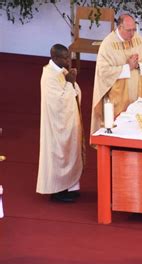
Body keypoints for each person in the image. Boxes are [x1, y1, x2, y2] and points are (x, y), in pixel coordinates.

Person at [91, 13, 142, 135]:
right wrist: (127, 68)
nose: (132, 34)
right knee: (121, 130)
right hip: (118, 98)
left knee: (140, 128)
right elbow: (103, 71)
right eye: (129, 30)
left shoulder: (138, 39)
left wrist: (138, 65)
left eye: (134, 30)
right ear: (120, 28)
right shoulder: (108, 44)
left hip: (139, 93)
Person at [37, 44, 83, 203]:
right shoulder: (49, 75)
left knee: (69, 151)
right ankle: (57, 190)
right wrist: (70, 83)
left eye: (69, 56)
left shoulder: (62, 70)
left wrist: (72, 82)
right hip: (56, 125)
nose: (68, 60)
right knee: (58, 153)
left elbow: (75, 94)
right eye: (65, 58)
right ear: (54, 58)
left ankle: (69, 185)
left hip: (66, 122)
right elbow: (58, 102)